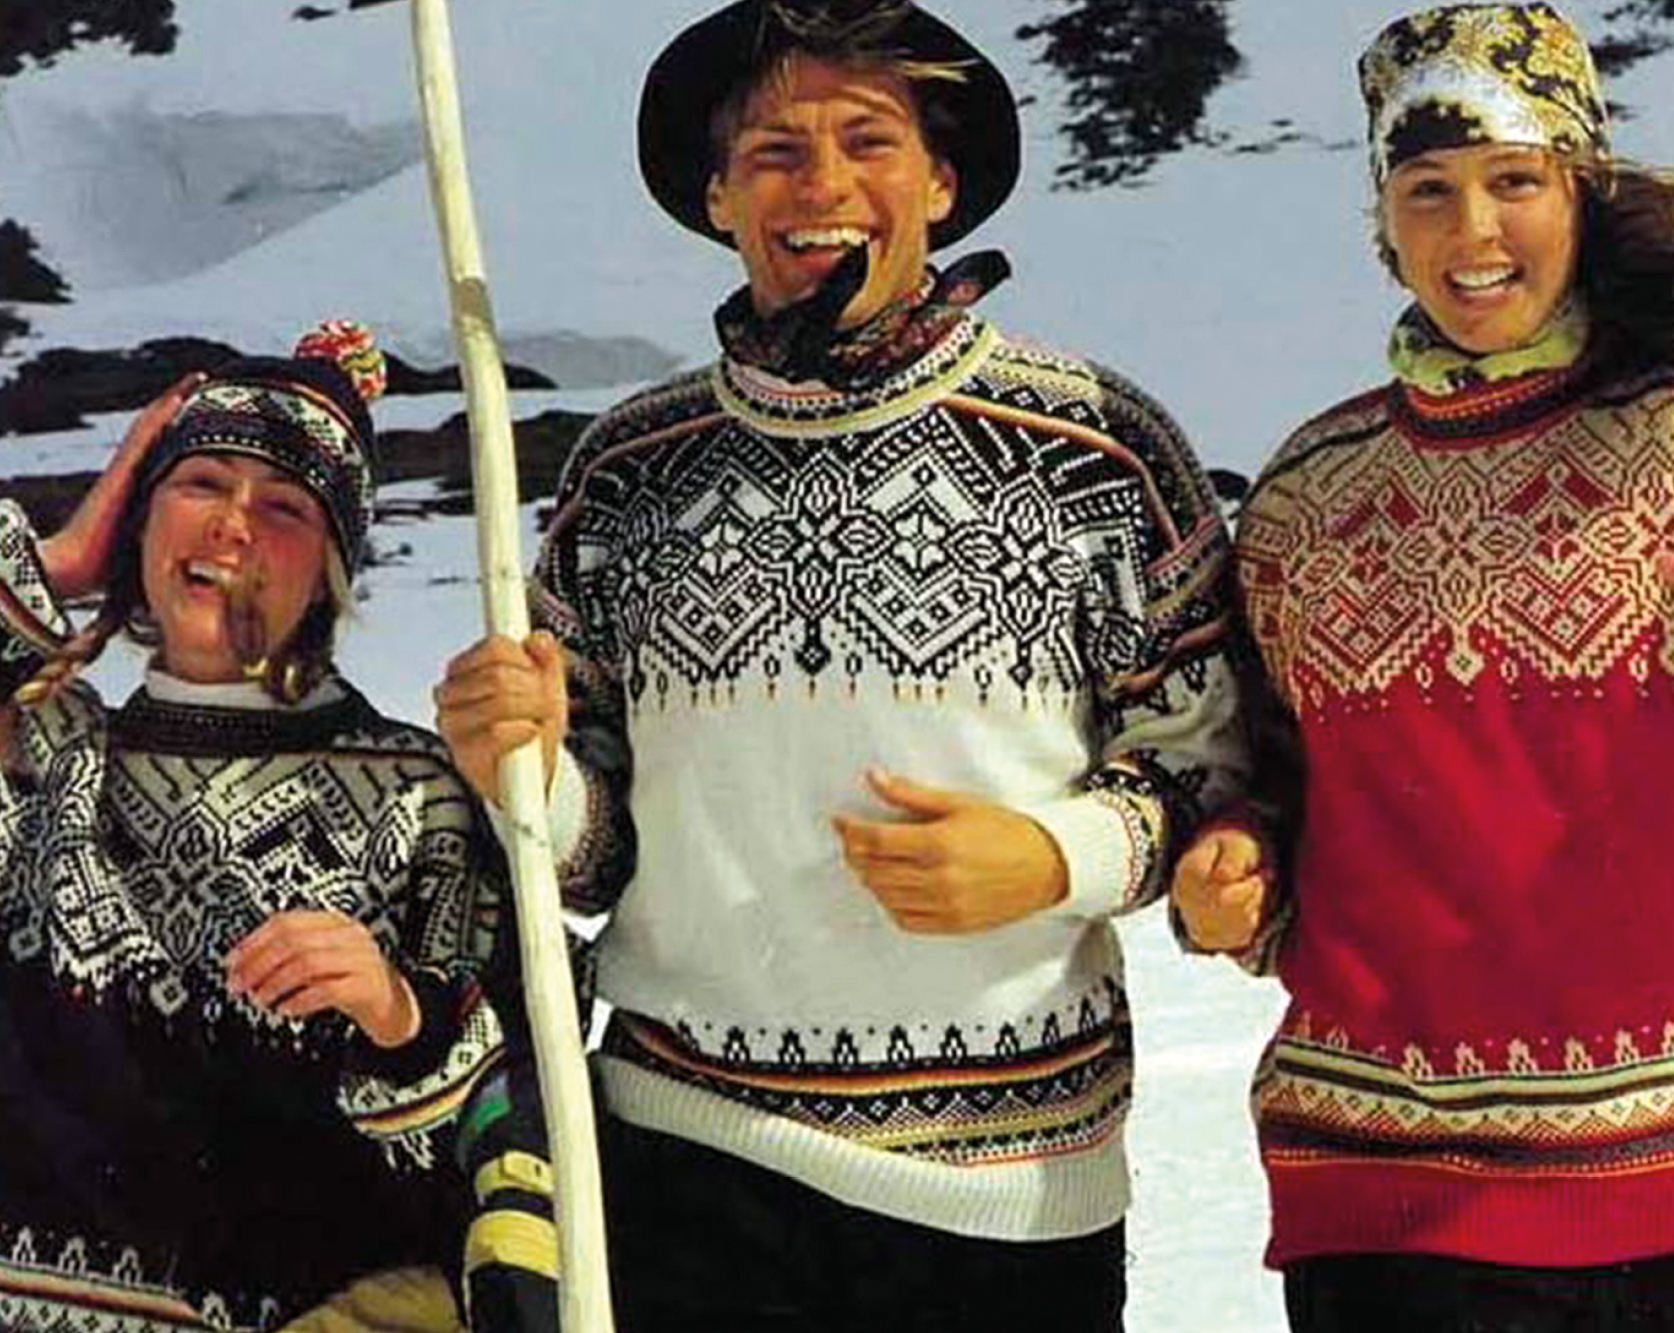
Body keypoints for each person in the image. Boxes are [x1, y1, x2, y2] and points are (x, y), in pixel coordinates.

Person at [431, 2, 1254, 1328]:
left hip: (1010, 1187)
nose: (820, 188)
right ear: (715, 197)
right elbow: (594, 853)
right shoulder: (628, 472)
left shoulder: (1098, 445)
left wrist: (1055, 858)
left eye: (868, 141)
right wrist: (518, 766)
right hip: (685, 1155)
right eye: (772, 153)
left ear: (938, 179)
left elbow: (1208, 762)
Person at [1169, 5, 1674, 1330]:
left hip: (1666, 1177)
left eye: (1515, 181)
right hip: (1374, 1182)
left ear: (1582, 190)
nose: (1473, 233)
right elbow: (1253, 771)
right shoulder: (1306, 494)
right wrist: (1232, 861)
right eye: (1427, 190)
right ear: (1385, 224)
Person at [0, 323, 542, 1333]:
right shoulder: (2, 756)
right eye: (200, 483)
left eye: (283, 506)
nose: (233, 525)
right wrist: (51, 560)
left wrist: (399, 1018)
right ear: (139, 520)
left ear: (329, 567)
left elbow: (521, 1143)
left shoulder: (418, 799)